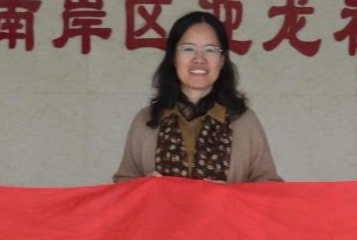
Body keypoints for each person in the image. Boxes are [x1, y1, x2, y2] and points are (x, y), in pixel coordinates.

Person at [114, 11, 281, 183]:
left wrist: (231, 193)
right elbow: (122, 185)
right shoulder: (147, 119)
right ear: (173, 57)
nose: (199, 59)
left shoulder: (243, 121)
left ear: (222, 60)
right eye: (188, 49)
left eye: (210, 50)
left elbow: (270, 187)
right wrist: (143, 185)